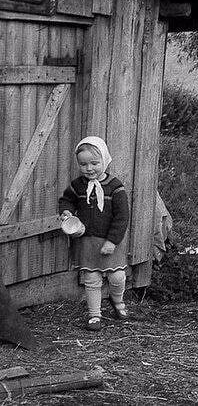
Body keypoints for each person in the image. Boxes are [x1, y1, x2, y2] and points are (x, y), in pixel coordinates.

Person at [59, 136, 129, 331]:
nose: (89, 168)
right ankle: (94, 315)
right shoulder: (78, 185)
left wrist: (112, 241)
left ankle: (118, 301)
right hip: (87, 240)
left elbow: (122, 217)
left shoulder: (115, 187)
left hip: (109, 241)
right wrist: (66, 212)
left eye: (94, 163)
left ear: (105, 160)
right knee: (92, 279)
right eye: (83, 164)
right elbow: (66, 200)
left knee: (117, 277)